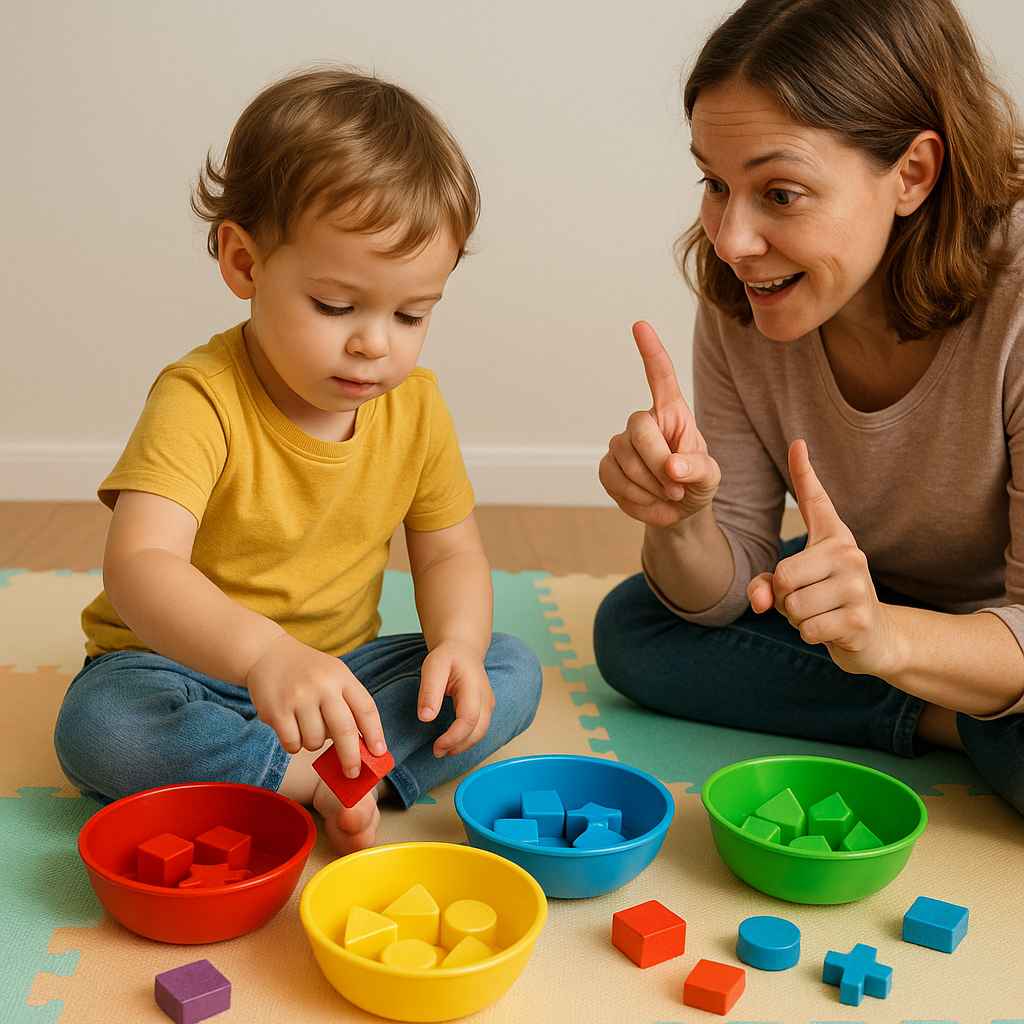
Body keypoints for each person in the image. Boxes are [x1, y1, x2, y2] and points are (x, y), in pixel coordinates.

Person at [54, 68, 542, 854]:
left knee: (509, 667)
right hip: (178, 671)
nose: (374, 343)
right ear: (244, 264)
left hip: (339, 676)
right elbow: (141, 564)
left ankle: (334, 770)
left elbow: (450, 552)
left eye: (411, 314)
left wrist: (457, 643)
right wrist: (263, 656)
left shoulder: (417, 407)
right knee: (100, 729)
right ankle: (317, 778)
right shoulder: (200, 397)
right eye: (336, 306)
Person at [595, 0, 1024, 815]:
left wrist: (887, 639)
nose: (730, 240)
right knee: (636, 629)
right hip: (881, 595)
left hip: (1000, 623)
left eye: (781, 193)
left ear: (913, 173)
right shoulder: (747, 293)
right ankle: (958, 721)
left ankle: (943, 704)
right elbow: (728, 583)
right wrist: (684, 522)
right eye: (715, 184)